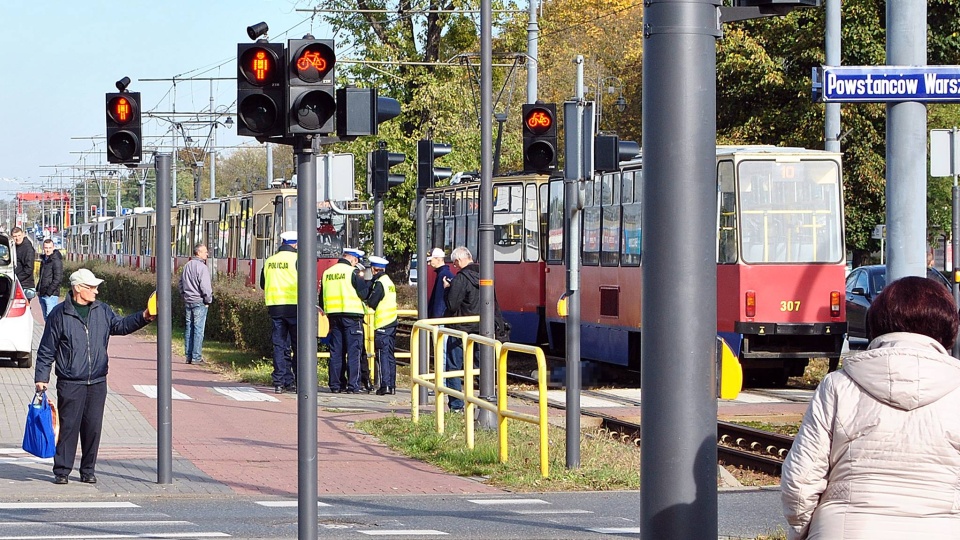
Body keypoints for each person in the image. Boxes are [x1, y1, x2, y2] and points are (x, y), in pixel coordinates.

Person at [781, 276, 960, 540]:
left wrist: (807, 531)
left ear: (875, 326)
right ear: (948, 331)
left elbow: (800, 482)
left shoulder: (838, 386)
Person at [34, 268, 156, 485]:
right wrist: (41, 377)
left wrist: (144, 316)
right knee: (68, 427)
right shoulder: (59, 314)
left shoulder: (102, 310)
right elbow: (46, 348)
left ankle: (88, 470)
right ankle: (62, 471)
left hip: (97, 381)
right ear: (78, 289)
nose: (96, 291)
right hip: (70, 382)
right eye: (91, 287)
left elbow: (120, 326)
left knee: (93, 428)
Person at [321, 247, 369, 394]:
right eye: (356, 261)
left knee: (336, 352)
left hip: (333, 317)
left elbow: (321, 297)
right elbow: (364, 294)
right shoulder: (353, 272)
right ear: (353, 259)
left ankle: (336, 385)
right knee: (354, 352)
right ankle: (353, 386)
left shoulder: (327, 273)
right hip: (352, 316)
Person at [443, 246, 481, 412]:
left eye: (455, 264)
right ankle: (486, 402)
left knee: (453, 367)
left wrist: (447, 289)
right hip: (481, 329)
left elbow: (452, 304)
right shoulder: (484, 275)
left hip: (460, 328)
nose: (454, 267)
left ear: (459, 260)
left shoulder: (460, 279)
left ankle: (457, 405)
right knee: (482, 367)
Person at [260, 232, 298, 394]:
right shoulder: (298, 260)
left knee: (279, 345)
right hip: (295, 307)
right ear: (295, 244)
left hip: (275, 307)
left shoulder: (270, 261)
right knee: (298, 346)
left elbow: (263, 283)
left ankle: (279, 382)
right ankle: (296, 381)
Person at [364, 256, 398, 395]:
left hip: (383, 323)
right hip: (392, 322)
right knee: (389, 355)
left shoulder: (379, 283)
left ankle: (385, 386)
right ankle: (392, 385)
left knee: (382, 355)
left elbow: (372, 302)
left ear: (373, 269)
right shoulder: (389, 282)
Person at [179, 244, 213, 365]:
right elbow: (206, 287)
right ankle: (196, 357)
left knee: (189, 328)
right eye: (205, 252)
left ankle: (188, 356)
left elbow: (181, 283)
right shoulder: (202, 268)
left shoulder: (187, 266)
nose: (207, 254)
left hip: (188, 301)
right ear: (198, 253)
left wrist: (184, 296)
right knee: (198, 329)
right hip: (199, 302)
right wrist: (208, 300)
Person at [36, 238, 64, 321]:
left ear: (53, 248)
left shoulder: (56, 261)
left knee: (51, 318)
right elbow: (41, 277)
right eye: (46, 248)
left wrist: (49, 292)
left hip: (51, 295)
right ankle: (47, 334)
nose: (47, 250)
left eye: (49, 248)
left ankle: (52, 334)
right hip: (42, 293)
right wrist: (38, 289)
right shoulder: (44, 260)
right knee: (46, 318)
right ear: (43, 248)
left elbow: (58, 279)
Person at [11, 227, 36, 301]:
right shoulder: (16, 246)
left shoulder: (27, 248)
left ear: (23, 235)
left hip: (25, 286)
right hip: (20, 284)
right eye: (15, 236)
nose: (17, 238)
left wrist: (16, 279)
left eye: (19, 235)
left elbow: (29, 268)